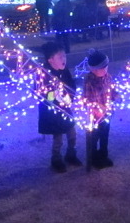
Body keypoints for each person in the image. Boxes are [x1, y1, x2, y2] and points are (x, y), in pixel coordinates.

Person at [37, 41, 82, 173]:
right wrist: (53, 95)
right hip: (54, 112)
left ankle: (71, 154)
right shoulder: (44, 73)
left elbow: (71, 85)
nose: (64, 59)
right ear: (50, 60)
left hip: (66, 108)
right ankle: (56, 159)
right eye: (60, 57)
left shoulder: (65, 70)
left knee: (72, 133)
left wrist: (70, 97)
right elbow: (41, 93)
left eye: (64, 56)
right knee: (58, 137)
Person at [84, 49, 118, 169]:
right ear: (93, 69)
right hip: (94, 118)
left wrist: (116, 96)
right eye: (102, 68)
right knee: (94, 137)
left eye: (106, 67)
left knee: (105, 135)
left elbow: (113, 90)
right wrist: (100, 107)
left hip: (106, 115)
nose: (105, 70)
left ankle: (104, 155)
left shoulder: (108, 77)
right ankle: (93, 158)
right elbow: (89, 100)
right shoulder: (89, 82)